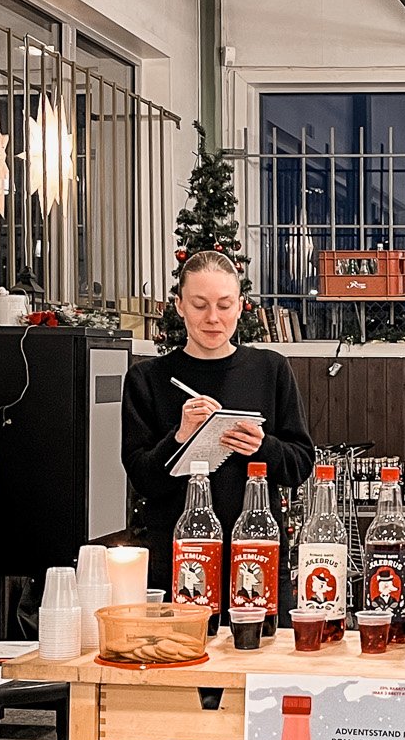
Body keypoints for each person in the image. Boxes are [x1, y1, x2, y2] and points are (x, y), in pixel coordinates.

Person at [122, 252, 315, 605]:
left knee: (265, 658)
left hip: (258, 556)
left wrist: (263, 446)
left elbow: (300, 465)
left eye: (225, 306)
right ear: (179, 305)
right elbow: (142, 479)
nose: (213, 318)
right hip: (178, 563)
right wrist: (179, 436)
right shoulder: (147, 379)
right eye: (199, 305)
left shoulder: (270, 369)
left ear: (241, 306)